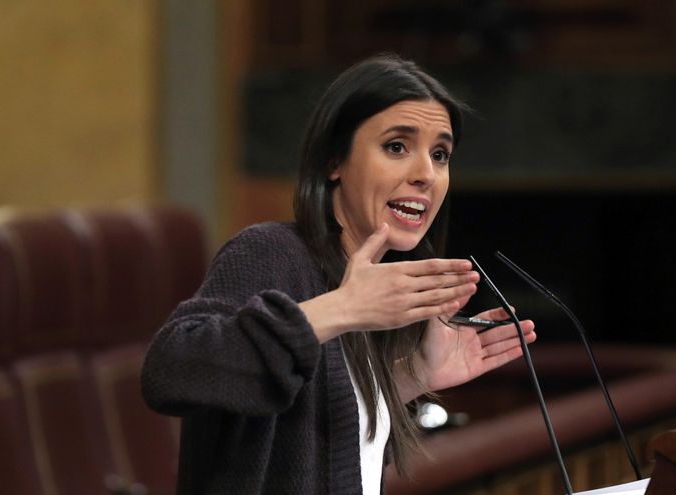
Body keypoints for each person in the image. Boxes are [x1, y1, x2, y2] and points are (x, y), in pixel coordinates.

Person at [140, 54, 536, 495]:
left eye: (440, 154)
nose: (426, 174)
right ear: (335, 160)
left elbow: (324, 445)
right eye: (397, 146)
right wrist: (343, 309)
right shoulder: (272, 253)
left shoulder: (368, 290)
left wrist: (411, 375)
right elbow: (170, 371)